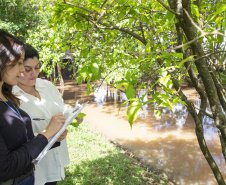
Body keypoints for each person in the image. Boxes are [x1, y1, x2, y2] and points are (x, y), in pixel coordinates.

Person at [0, 30, 66, 185]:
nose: (22, 70)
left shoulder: (6, 94)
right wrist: (47, 133)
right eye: (17, 63)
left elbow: (21, 143)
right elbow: (4, 167)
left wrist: (52, 136)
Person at [13, 44, 76, 185]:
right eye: (27, 69)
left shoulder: (46, 86)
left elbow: (61, 108)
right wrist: (48, 133)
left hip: (55, 157)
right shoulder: (11, 96)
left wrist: (71, 114)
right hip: (33, 165)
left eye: (36, 68)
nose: (33, 74)